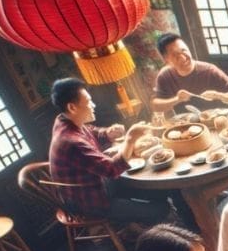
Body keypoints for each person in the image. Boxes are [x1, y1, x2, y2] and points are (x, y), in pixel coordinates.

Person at [47, 78, 168, 223]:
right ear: (72, 107)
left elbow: (91, 130)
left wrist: (107, 132)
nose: (93, 105)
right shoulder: (71, 141)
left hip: (99, 185)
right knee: (160, 209)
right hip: (92, 202)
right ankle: (150, 233)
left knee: (160, 191)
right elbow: (112, 170)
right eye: (88, 101)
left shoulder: (64, 119)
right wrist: (130, 139)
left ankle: (140, 225)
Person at [151, 33, 228, 113]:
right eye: (175, 55)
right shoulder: (165, 76)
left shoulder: (209, 71)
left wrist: (218, 96)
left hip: (214, 122)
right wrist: (177, 99)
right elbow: (155, 106)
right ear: (167, 60)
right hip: (185, 126)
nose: (183, 58)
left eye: (184, 50)